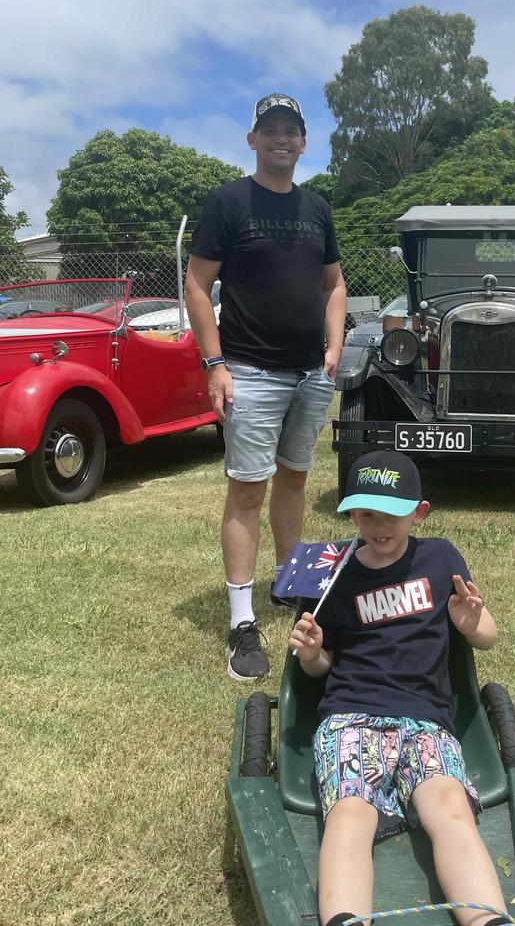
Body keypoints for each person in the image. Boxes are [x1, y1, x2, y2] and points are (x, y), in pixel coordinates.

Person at [289, 451, 510, 926]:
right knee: (350, 812)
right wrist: (312, 656)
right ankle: (345, 919)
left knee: (450, 807)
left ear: (419, 511)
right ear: (351, 512)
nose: (378, 526)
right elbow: (321, 669)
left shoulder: (440, 558)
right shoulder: (332, 575)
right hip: (352, 713)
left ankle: (486, 919)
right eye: (366, 513)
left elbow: (487, 637)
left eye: (392, 513)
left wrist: (473, 624)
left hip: (426, 717)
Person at [185, 93, 346, 681]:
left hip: (309, 375)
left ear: (304, 143)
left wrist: (333, 349)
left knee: (295, 482)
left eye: (292, 130)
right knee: (247, 492)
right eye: (271, 129)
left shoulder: (317, 209)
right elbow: (198, 286)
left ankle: (293, 586)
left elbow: (335, 284)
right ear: (253, 139)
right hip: (249, 371)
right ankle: (241, 622)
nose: (282, 138)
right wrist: (215, 364)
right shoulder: (227, 203)